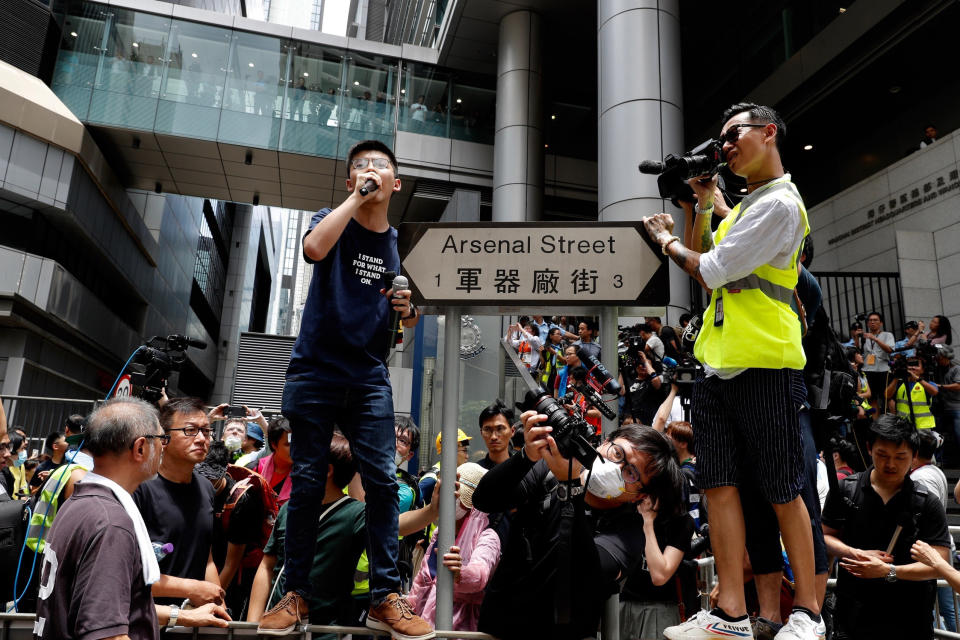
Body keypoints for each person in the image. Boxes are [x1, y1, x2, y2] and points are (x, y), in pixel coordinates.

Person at [643, 102, 823, 639]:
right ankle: (730, 614)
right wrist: (702, 205)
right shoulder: (746, 207)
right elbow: (709, 265)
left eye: (732, 135)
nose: (724, 146)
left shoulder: (781, 204)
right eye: (720, 139)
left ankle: (808, 613)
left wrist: (664, 239)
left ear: (768, 133)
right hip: (718, 367)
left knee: (782, 490)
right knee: (719, 485)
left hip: (765, 363)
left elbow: (711, 267)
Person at [259, 140, 430, 639]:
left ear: (396, 185)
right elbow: (314, 250)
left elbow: (408, 316)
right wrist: (356, 200)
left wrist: (410, 312)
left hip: (369, 375)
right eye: (360, 168)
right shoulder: (329, 218)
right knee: (309, 482)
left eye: (380, 168)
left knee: (381, 481)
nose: (370, 171)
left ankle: (384, 597)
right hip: (315, 370)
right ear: (350, 180)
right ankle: (298, 595)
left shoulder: (400, 242)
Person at [33, 397, 229, 640]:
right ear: (140, 448)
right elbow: (106, 633)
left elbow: (119, 606)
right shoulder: (111, 522)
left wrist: (183, 616)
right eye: (160, 439)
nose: (162, 447)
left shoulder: (82, 502)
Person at [473, 415, 684, 640]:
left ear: (639, 495)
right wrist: (526, 456)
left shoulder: (629, 530)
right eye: (617, 453)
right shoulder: (550, 470)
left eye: (631, 472)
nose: (616, 467)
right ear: (604, 442)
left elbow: (585, 574)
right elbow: (485, 500)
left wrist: (570, 487)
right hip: (501, 627)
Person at [822, 415, 951, 640]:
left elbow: (938, 562)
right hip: (853, 617)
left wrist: (889, 572)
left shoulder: (926, 502)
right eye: (882, 455)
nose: (890, 464)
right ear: (869, 449)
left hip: (911, 619)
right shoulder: (845, 491)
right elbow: (824, 536)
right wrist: (854, 553)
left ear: (914, 456)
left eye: (900, 457)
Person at [133, 397, 225, 608]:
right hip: (148, 614)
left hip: (194, 618)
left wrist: (219, 604)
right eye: (190, 430)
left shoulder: (206, 489)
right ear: (164, 438)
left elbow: (206, 557)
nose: (202, 439)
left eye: (206, 431)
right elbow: (129, 572)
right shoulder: (140, 487)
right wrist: (191, 588)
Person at [409, 462, 501, 633]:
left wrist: (461, 573)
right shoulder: (440, 532)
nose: (455, 500)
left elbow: (480, 574)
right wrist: (408, 616)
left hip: (460, 629)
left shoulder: (488, 536)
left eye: (461, 497)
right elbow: (421, 581)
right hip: (426, 626)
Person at [909, 429, 956, 631]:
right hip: (937, 548)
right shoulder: (933, 471)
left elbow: (927, 514)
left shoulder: (921, 477)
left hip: (933, 550)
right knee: (946, 607)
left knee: (945, 607)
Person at [247, 416, 293, 505]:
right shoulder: (254, 470)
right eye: (288, 445)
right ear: (274, 444)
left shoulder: (304, 473)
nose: (295, 449)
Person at [885, 355, 938, 430]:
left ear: (923, 370)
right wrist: (896, 377)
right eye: (910, 365)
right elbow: (887, 396)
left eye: (916, 365)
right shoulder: (900, 383)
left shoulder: (928, 383)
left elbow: (934, 392)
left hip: (922, 426)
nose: (912, 367)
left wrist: (917, 378)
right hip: (903, 426)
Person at [862, 311, 895, 412]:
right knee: (872, 398)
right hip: (868, 370)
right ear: (867, 323)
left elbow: (889, 350)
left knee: (887, 397)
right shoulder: (864, 337)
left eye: (875, 320)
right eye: (870, 320)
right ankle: (875, 424)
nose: (872, 322)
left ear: (881, 323)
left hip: (883, 370)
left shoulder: (887, 335)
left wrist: (875, 339)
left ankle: (893, 422)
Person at [477, 400, 515, 469]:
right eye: (487, 430)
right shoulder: (475, 471)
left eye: (500, 429)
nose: (493, 437)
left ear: (512, 431)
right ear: (481, 433)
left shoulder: (525, 470)